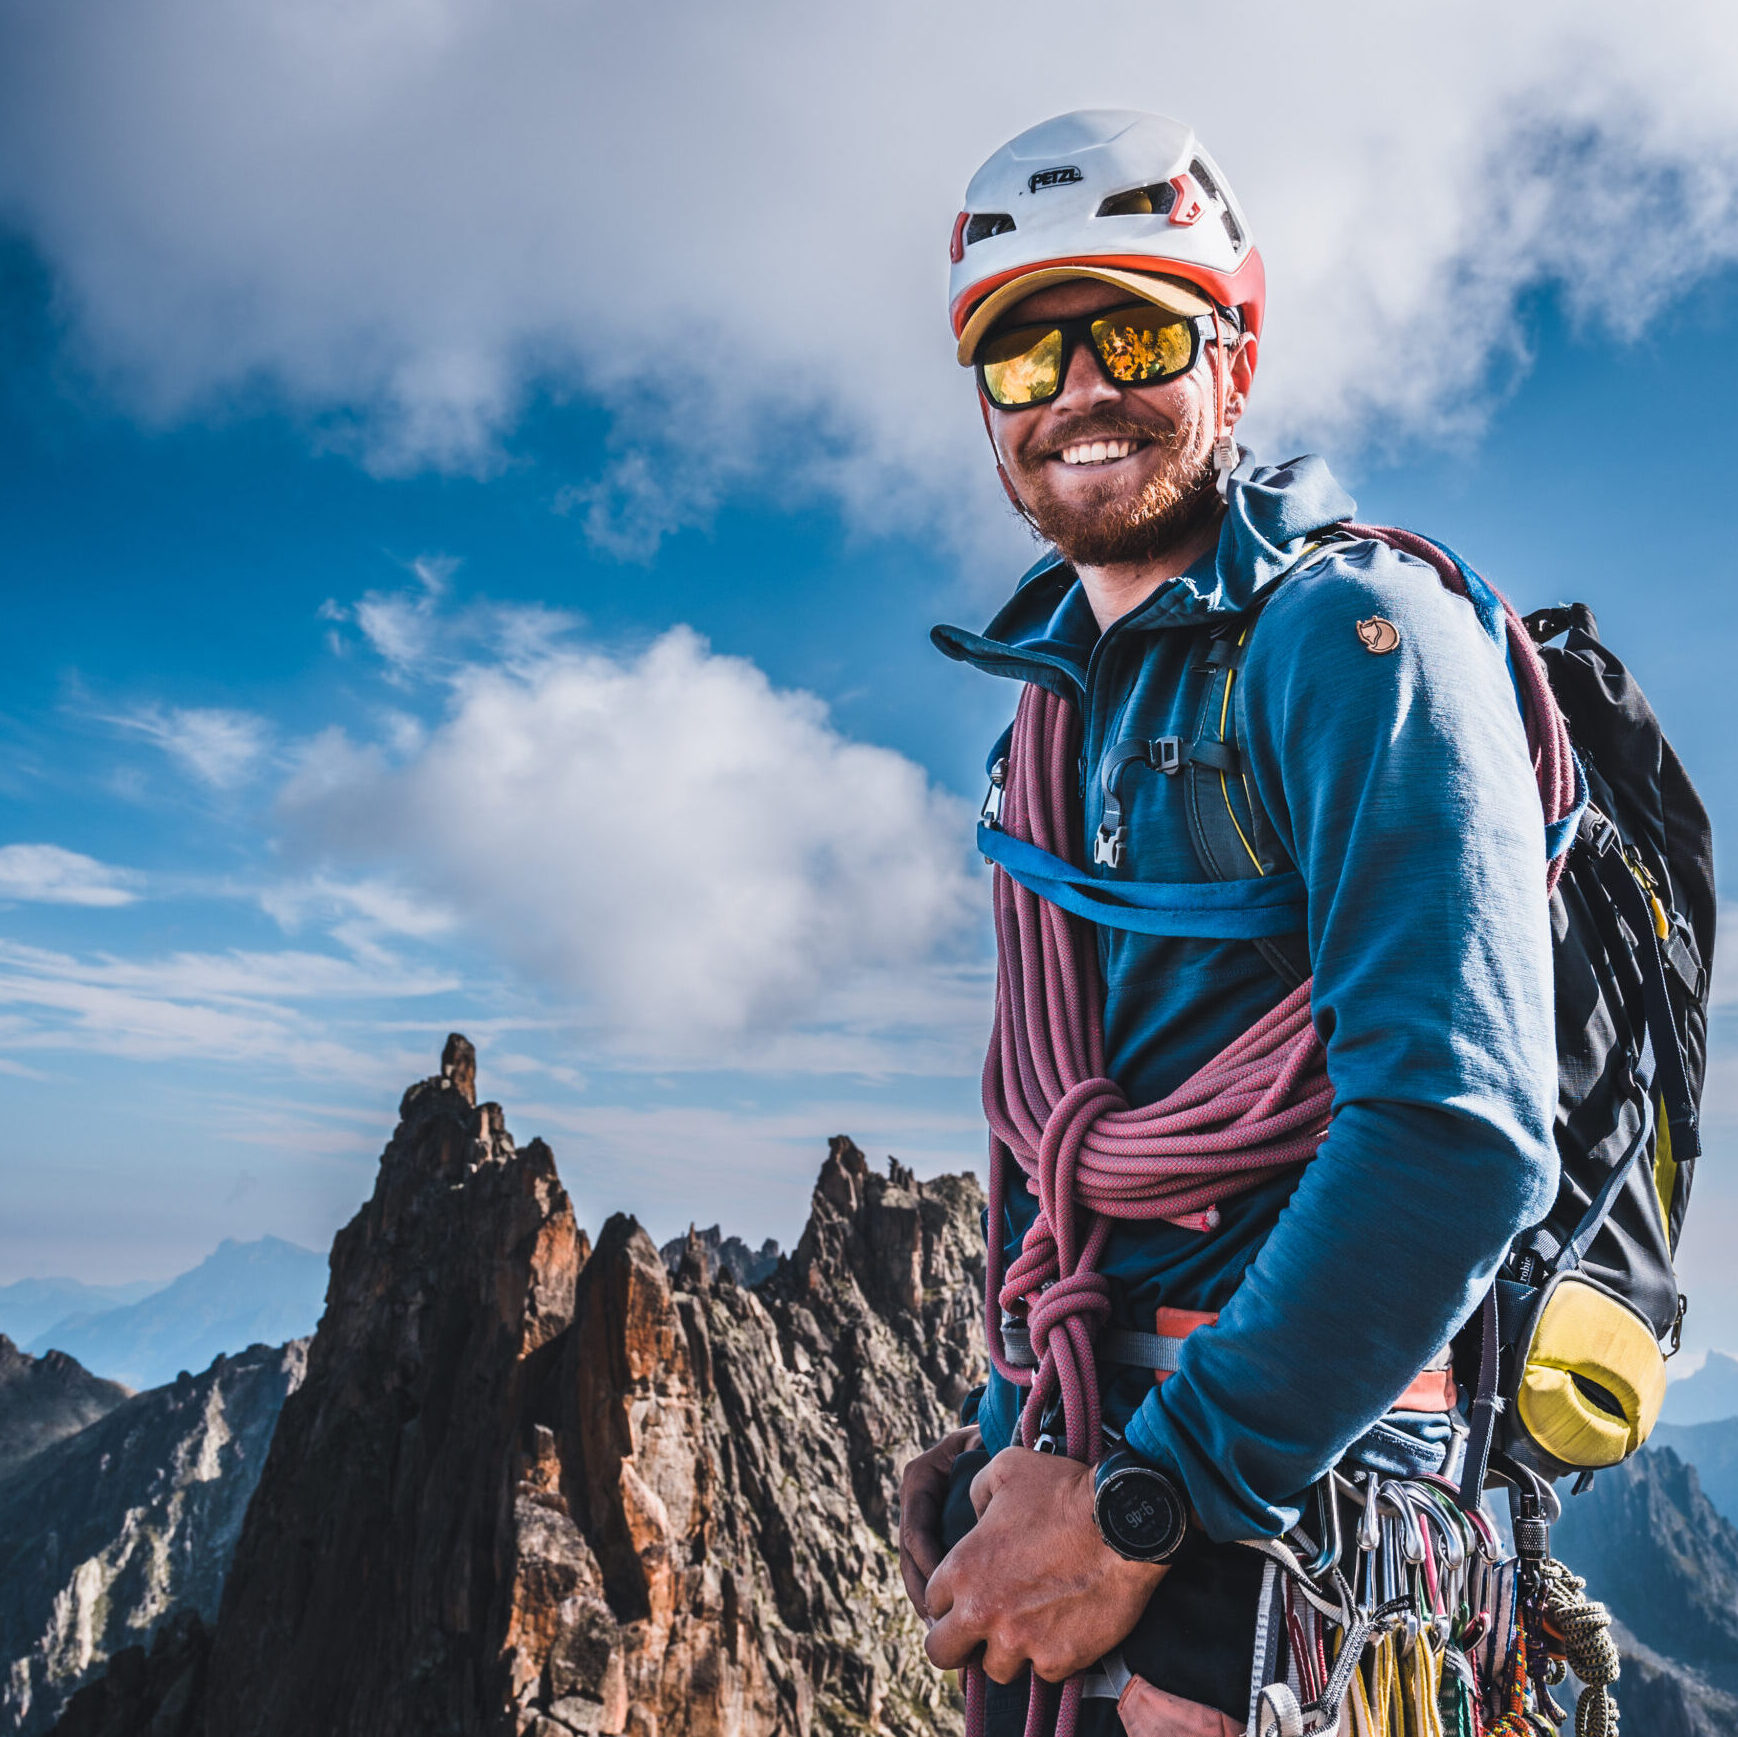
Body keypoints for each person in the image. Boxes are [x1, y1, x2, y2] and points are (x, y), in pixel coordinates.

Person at [899, 110, 1559, 1735]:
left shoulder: (1354, 640)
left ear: (1234, 349)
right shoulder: (1050, 715)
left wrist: (1158, 1506)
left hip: (1275, 1504)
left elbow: (1455, 1131)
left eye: (1133, 331)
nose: (1076, 394)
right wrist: (1006, 1423)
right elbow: (1057, 1143)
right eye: (1022, 360)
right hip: (1094, 1460)